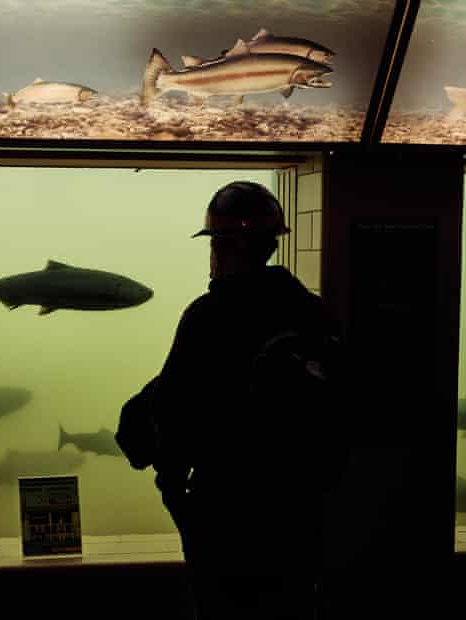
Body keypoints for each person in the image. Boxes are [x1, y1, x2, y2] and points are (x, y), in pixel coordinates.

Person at [126, 181, 347, 619]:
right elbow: (342, 413)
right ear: (272, 246)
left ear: (220, 248)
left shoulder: (207, 316)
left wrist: (173, 487)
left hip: (224, 514)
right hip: (298, 514)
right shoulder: (314, 313)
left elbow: (172, 410)